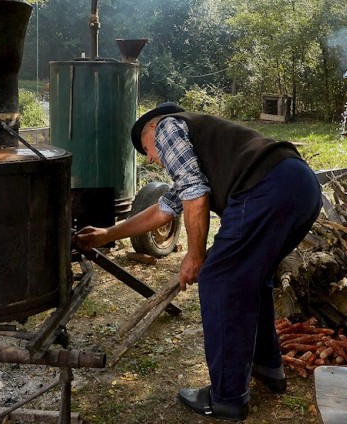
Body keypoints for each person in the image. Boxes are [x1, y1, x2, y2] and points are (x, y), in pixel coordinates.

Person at [72, 103, 322, 422]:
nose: (150, 157)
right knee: (251, 280)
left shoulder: (166, 127)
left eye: (145, 149)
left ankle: (227, 398)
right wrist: (107, 234)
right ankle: (268, 368)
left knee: (220, 281)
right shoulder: (197, 149)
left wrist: (195, 255)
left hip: (266, 188)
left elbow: (196, 195)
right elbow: (165, 209)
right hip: (302, 186)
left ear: (152, 128)